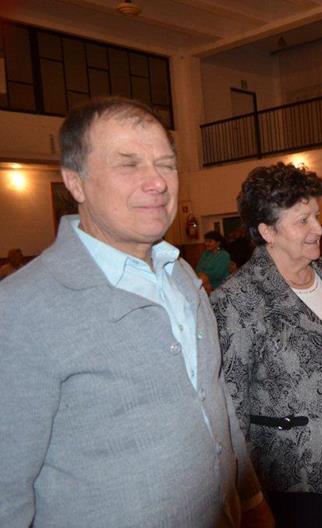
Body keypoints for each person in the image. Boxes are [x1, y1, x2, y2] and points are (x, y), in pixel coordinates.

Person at [0, 97, 266, 527]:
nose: (157, 182)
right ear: (75, 182)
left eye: (166, 164)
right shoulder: (20, 310)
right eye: (128, 164)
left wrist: (250, 498)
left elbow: (213, 393)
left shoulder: (181, 275)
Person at [212, 163, 322, 528]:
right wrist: (248, 495)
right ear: (267, 231)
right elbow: (230, 405)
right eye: (303, 220)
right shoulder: (238, 299)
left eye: (317, 217)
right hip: (299, 471)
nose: (319, 229)